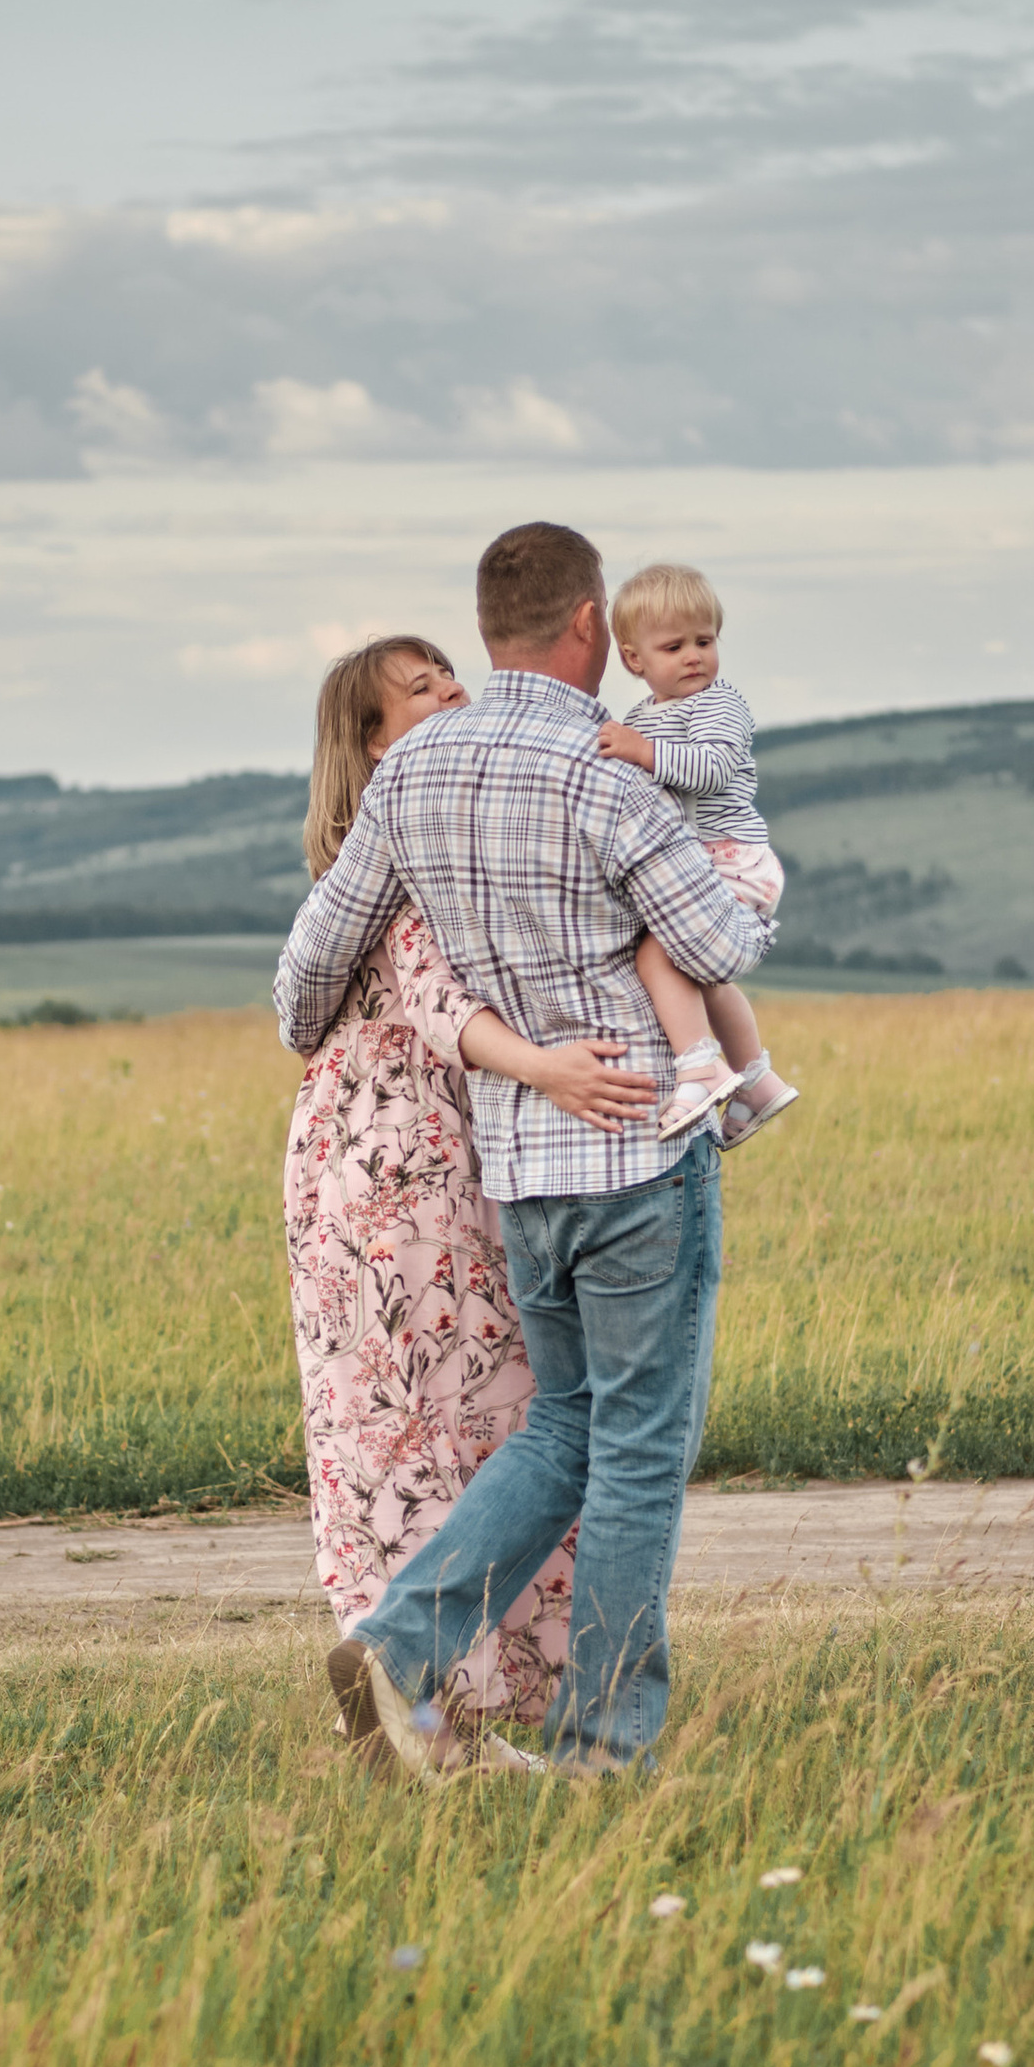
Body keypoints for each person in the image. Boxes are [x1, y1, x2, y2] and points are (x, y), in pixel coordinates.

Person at [274, 520, 774, 1781]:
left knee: (564, 1429)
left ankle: (400, 1639)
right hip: (634, 1151)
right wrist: (754, 874)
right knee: (641, 1449)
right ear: (593, 626)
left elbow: (307, 976)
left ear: (488, 636)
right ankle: (602, 1745)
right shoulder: (610, 775)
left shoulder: (410, 777)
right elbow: (716, 946)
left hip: (518, 1164)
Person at [282, 633, 656, 1757]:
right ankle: (436, 1695)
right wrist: (554, 1070)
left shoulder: (382, 850)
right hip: (415, 1174)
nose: (450, 693)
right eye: (419, 688)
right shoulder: (400, 860)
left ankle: (431, 1699)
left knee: (409, 1429)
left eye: (451, 673)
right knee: (484, 1423)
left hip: (358, 1171)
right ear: (370, 740)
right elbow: (439, 1001)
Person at [596, 560, 801, 1145]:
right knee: (703, 974)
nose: (694, 656)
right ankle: (757, 1081)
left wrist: (642, 752)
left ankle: (699, 1065)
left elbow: (710, 770)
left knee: (659, 958)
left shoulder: (719, 704)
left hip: (732, 858)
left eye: (705, 641)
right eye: (674, 646)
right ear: (635, 660)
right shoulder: (643, 717)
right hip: (700, 861)